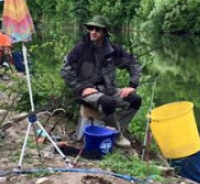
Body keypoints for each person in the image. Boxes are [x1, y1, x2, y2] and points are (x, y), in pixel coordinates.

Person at [60, 15, 142, 147]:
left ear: (104, 32)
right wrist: (81, 88)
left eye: (97, 29)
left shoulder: (114, 50)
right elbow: (65, 71)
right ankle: (117, 136)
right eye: (91, 28)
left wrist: (132, 84)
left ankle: (115, 130)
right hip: (86, 92)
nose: (93, 32)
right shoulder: (80, 48)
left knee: (135, 100)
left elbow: (133, 63)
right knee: (107, 102)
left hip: (110, 90)